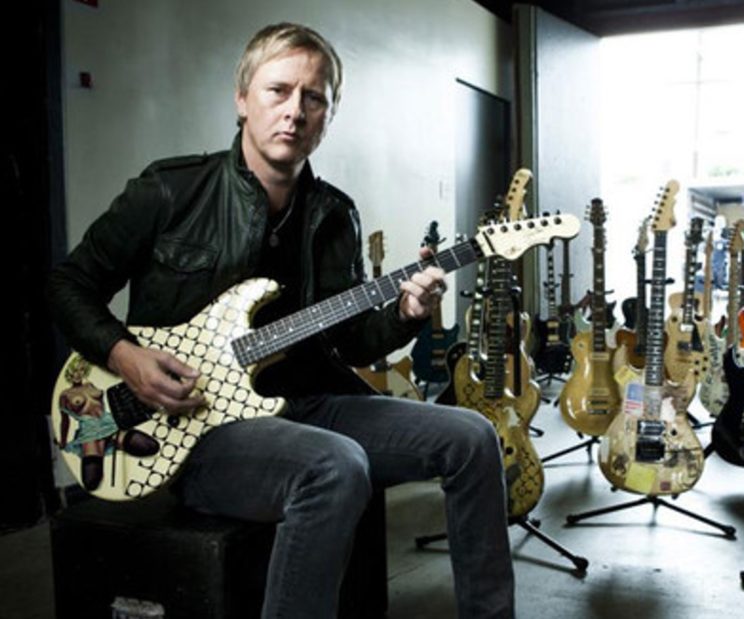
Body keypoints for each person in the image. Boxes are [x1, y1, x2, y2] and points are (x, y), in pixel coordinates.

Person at [48, 22, 514, 619]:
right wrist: (126, 357)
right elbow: (67, 284)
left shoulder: (333, 214)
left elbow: (350, 341)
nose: (294, 111)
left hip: (307, 404)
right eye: (278, 90)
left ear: (327, 116)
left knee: (472, 436)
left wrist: (406, 312)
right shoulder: (170, 191)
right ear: (242, 99)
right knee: (335, 468)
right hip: (193, 424)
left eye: (312, 97)